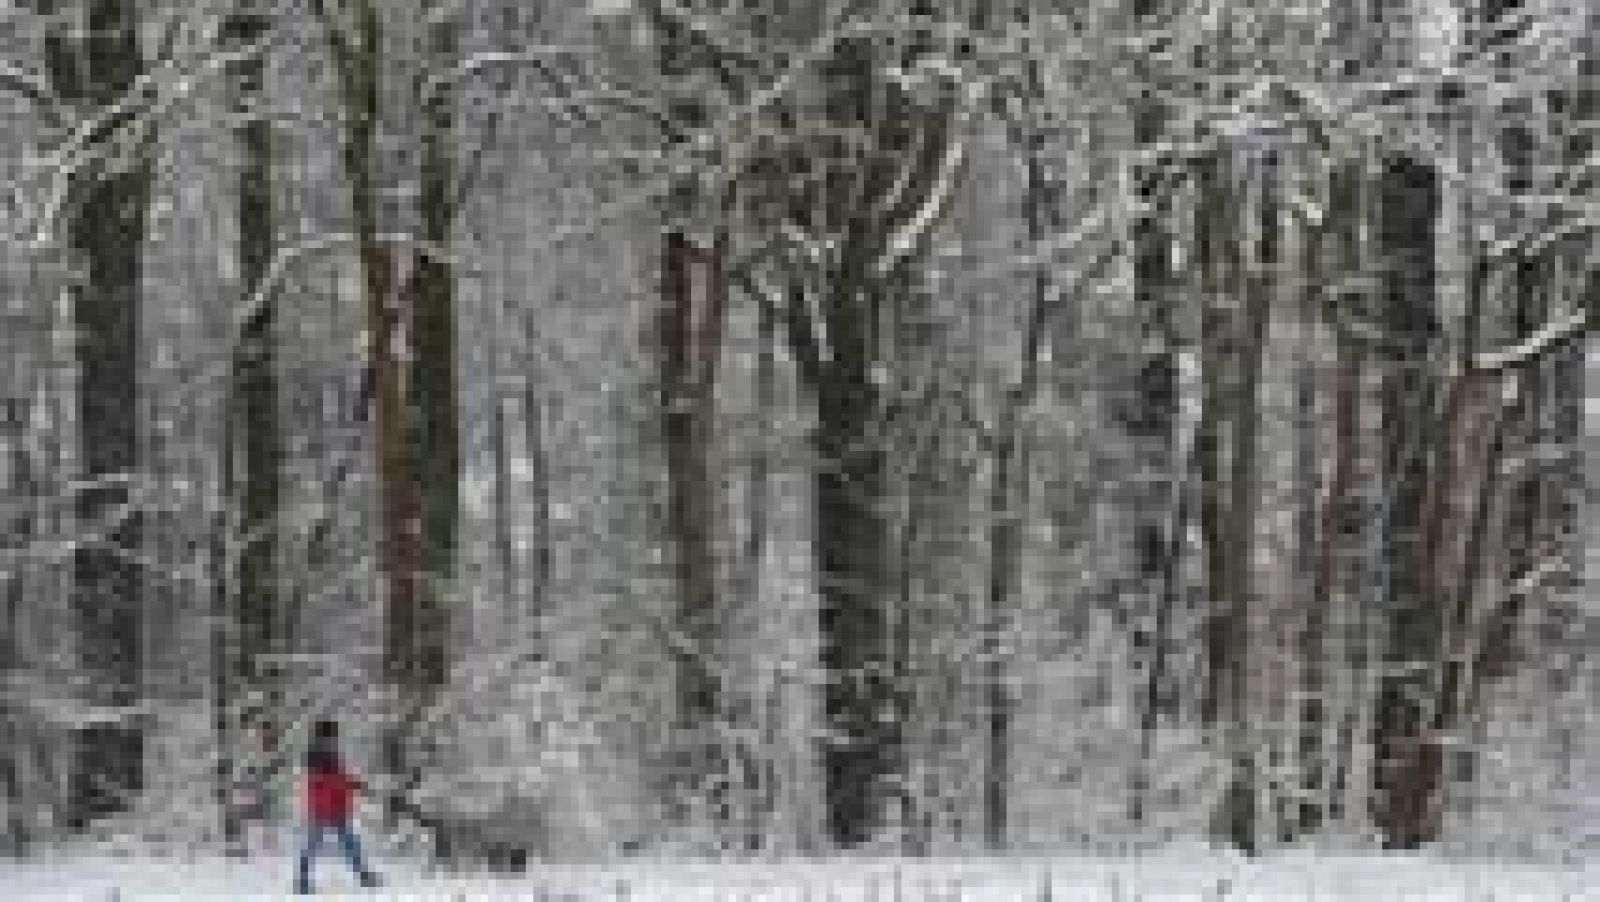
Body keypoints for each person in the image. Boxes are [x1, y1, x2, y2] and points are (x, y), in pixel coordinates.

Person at [295, 719, 380, 894]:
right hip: (327, 806)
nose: (335, 738)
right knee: (339, 842)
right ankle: (362, 875)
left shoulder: (322, 753)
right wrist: (352, 784)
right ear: (327, 735)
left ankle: (304, 879)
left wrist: (351, 783)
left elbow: (334, 777)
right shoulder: (321, 754)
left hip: (327, 806)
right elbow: (330, 780)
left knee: (327, 843)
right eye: (333, 734)